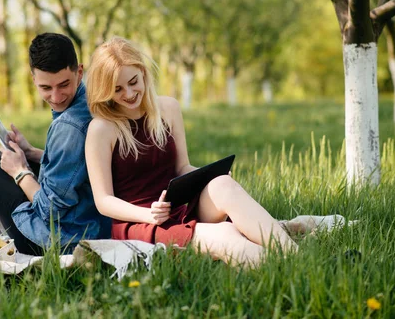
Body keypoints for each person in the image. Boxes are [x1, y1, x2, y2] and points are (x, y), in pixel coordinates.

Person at [84, 37, 297, 266]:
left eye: (133, 81)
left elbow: (182, 167)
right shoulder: (102, 129)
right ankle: (283, 268)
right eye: (117, 89)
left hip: (179, 204)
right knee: (226, 234)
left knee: (223, 184)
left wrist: (210, 177)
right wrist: (148, 215)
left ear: (143, 72)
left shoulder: (168, 108)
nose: (128, 93)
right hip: (141, 222)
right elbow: (103, 200)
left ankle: (296, 256)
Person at [0, 33, 111, 255]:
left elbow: (50, 212)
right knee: (1, 163)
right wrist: (31, 153)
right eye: (46, 88)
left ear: (79, 72)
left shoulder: (69, 125)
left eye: (63, 85)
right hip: (91, 223)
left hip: (57, 241)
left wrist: (20, 172)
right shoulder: (91, 98)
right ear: (34, 80)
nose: (57, 96)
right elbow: (79, 165)